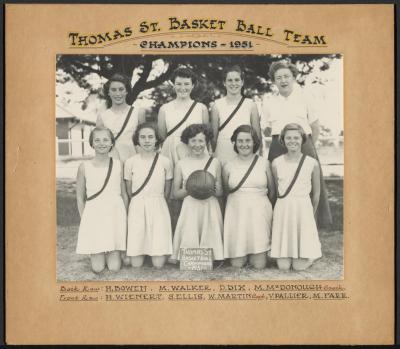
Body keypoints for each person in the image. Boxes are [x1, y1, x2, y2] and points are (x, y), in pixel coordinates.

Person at [262, 60, 332, 227]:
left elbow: (315, 126)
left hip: (303, 145)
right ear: (274, 81)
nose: (283, 80)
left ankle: (311, 224)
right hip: (278, 147)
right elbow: (265, 128)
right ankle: (279, 226)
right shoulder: (269, 101)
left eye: (287, 76)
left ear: (293, 77)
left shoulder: (305, 97)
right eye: (278, 77)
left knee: (307, 185)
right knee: (278, 185)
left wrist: (307, 147)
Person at [76, 126, 128, 273]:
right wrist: (84, 217)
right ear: (91, 143)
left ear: (112, 143)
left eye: (106, 139)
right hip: (94, 213)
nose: (101, 143)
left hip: (114, 212)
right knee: (98, 268)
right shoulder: (84, 167)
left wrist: (125, 216)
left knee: (114, 268)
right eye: (97, 140)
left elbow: (124, 193)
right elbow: (80, 196)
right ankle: (97, 250)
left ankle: (115, 251)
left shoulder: (118, 164)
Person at [270, 123, 322, 271]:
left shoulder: (312, 163)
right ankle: (286, 252)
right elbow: (275, 192)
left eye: (296, 137)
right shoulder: (276, 163)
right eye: (288, 138)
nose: (292, 141)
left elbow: (316, 194)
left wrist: (309, 215)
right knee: (283, 266)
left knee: (299, 267)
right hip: (283, 209)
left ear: (302, 139)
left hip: (303, 208)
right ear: (283, 140)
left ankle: (309, 254)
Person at [222, 125, 274, 269]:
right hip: (236, 213)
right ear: (234, 143)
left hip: (259, 213)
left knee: (259, 265)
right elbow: (226, 192)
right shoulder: (228, 166)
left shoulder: (264, 163)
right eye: (240, 141)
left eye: (248, 141)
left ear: (254, 142)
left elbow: (272, 192)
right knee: (237, 264)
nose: (244, 144)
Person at [170, 124, 224, 262]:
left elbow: (220, 192)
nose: (197, 145)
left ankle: (212, 258)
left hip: (210, 205)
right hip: (190, 206)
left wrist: (213, 188)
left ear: (206, 142)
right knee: (190, 231)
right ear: (187, 142)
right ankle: (191, 259)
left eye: (201, 141)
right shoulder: (181, 164)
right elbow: (175, 193)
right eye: (193, 141)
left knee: (210, 229)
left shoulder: (215, 162)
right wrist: (191, 187)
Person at [124, 123, 173, 269]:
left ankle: (156, 251)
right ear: (137, 140)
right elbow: (129, 190)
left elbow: (167, 189)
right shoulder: (130, 162)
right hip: (137, 205)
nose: (147, 141)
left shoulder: (165, 161)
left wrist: (156, 200)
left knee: (158, 264)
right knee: (136, 264)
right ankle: (139, 251)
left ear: (156, 140)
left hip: (158, 204)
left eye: (150, 137)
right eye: (143, 137)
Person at [211, 65, 262, 166]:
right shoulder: (217, 105)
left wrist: (256, 156)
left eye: (237, 80)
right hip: (223, 151)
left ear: (242, 82)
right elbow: (214, 137)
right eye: (229, 80)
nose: (233, 83)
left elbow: (257, 136)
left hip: (245, 151)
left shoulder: (250, 105)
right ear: (224, 83)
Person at [158, 67, 209, 165]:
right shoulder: (164, 109)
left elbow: (206, 137)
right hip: (171, 152)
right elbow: (162, 137)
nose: (182, 88)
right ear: (173, 85)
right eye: (178, 84)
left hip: (195, 151)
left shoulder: (201, 108)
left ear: (193, 85)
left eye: (186, 84)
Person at [97, 73, 145, 162]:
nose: (118, 93)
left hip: (133, 161)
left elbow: (142, 142)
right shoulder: (102, 117)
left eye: (121, 89)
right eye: (113, 90)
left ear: (126, 91)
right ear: (108, 92)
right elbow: (99, 145)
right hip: (111, 162)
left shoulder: (138, 113)